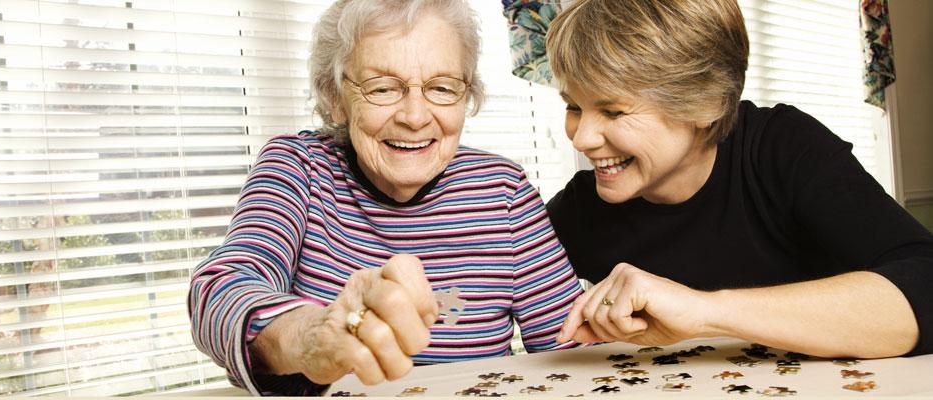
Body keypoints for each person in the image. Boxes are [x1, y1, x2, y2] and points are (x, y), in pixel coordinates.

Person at [188, 0, 583, 395]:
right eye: (382, 88)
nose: (414, 116)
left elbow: (574, 350)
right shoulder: (298, 168)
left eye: (442, 87)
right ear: (335, 98)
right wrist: (313, 336)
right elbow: (220, 289)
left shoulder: (504, 192)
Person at [543, 0, 933, 358]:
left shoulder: (783, 148)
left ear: (705, 103)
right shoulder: (581, 207)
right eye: (574, 106)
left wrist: (705, 311)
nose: (582, 138)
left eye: (613, 111)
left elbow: (925, 283)